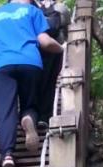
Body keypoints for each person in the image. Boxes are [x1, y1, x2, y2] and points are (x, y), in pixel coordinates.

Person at [0, 0, 64, 167]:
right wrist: (62, 49)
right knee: (30, 103)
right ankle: (28, 118)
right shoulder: (33, 11)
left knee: (5, 112)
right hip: (30, 62)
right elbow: (45, 41)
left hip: (2, 66)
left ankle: (7, 155)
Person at [36, 0, 70, 128]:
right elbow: (67, 30)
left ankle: (30, 114)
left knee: (33, 82)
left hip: (34, 49)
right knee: (50, 81)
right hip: (54, 49)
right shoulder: (61, 8)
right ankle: (44, 116)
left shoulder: (28, 8)